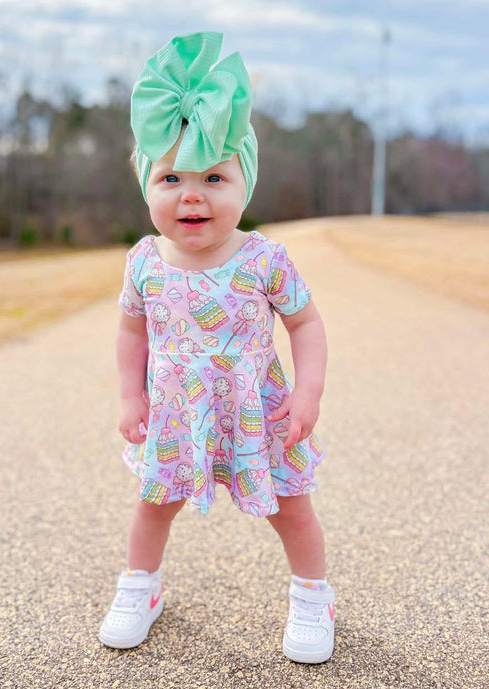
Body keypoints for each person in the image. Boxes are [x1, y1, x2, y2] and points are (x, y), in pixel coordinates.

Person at [98, 32, 335, 664]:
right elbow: (131, 331)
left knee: (291, 510)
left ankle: (314, 596)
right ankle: (140, 587)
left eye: (213, 176)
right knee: (153, 506)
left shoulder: (265, 258)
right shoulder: (144, 262)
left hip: (261, 412)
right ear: (146, 185)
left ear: (244, 183)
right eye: (169, 176)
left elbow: (306, 326)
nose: (191, 193)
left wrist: (307, 392)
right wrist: (130, 394)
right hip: (177, 412)